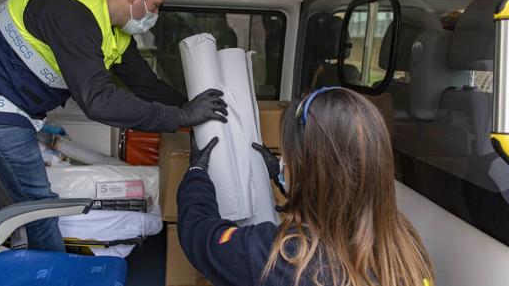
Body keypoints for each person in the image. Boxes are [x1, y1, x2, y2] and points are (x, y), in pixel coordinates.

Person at [0, 0, 228, 252]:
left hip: (4, 102)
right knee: (38, 204)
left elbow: (146, 84)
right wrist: (179, 117)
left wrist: (193, 109)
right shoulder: (71, 11)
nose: (155, 15)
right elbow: (98, 101)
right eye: (155, 6)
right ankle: (55, 275)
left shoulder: (114, 31)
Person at [177, 87, 434, 286]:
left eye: (287, 159)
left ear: (305, 168)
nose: (283, 161)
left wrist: (197, 173)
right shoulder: (404, 243)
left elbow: (201, 236)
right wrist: (281, 178)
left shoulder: (285, 257)